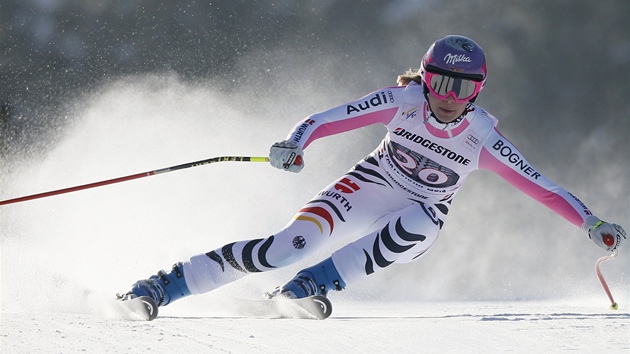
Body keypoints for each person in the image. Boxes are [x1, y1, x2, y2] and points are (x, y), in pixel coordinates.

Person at [121, 35, 626, 311]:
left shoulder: (483, 138)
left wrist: (591, 222)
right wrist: (292, 144)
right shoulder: (403, 101)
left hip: (420, 208)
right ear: (425, 80)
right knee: (281, 248)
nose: (450, 98)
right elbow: (327, 118)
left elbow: (543, 188)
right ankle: (165, 285)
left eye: (464, 88)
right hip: (368, 185)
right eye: (441, 84)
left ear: (479, 91)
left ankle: (313, 284)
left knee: (422, 223)